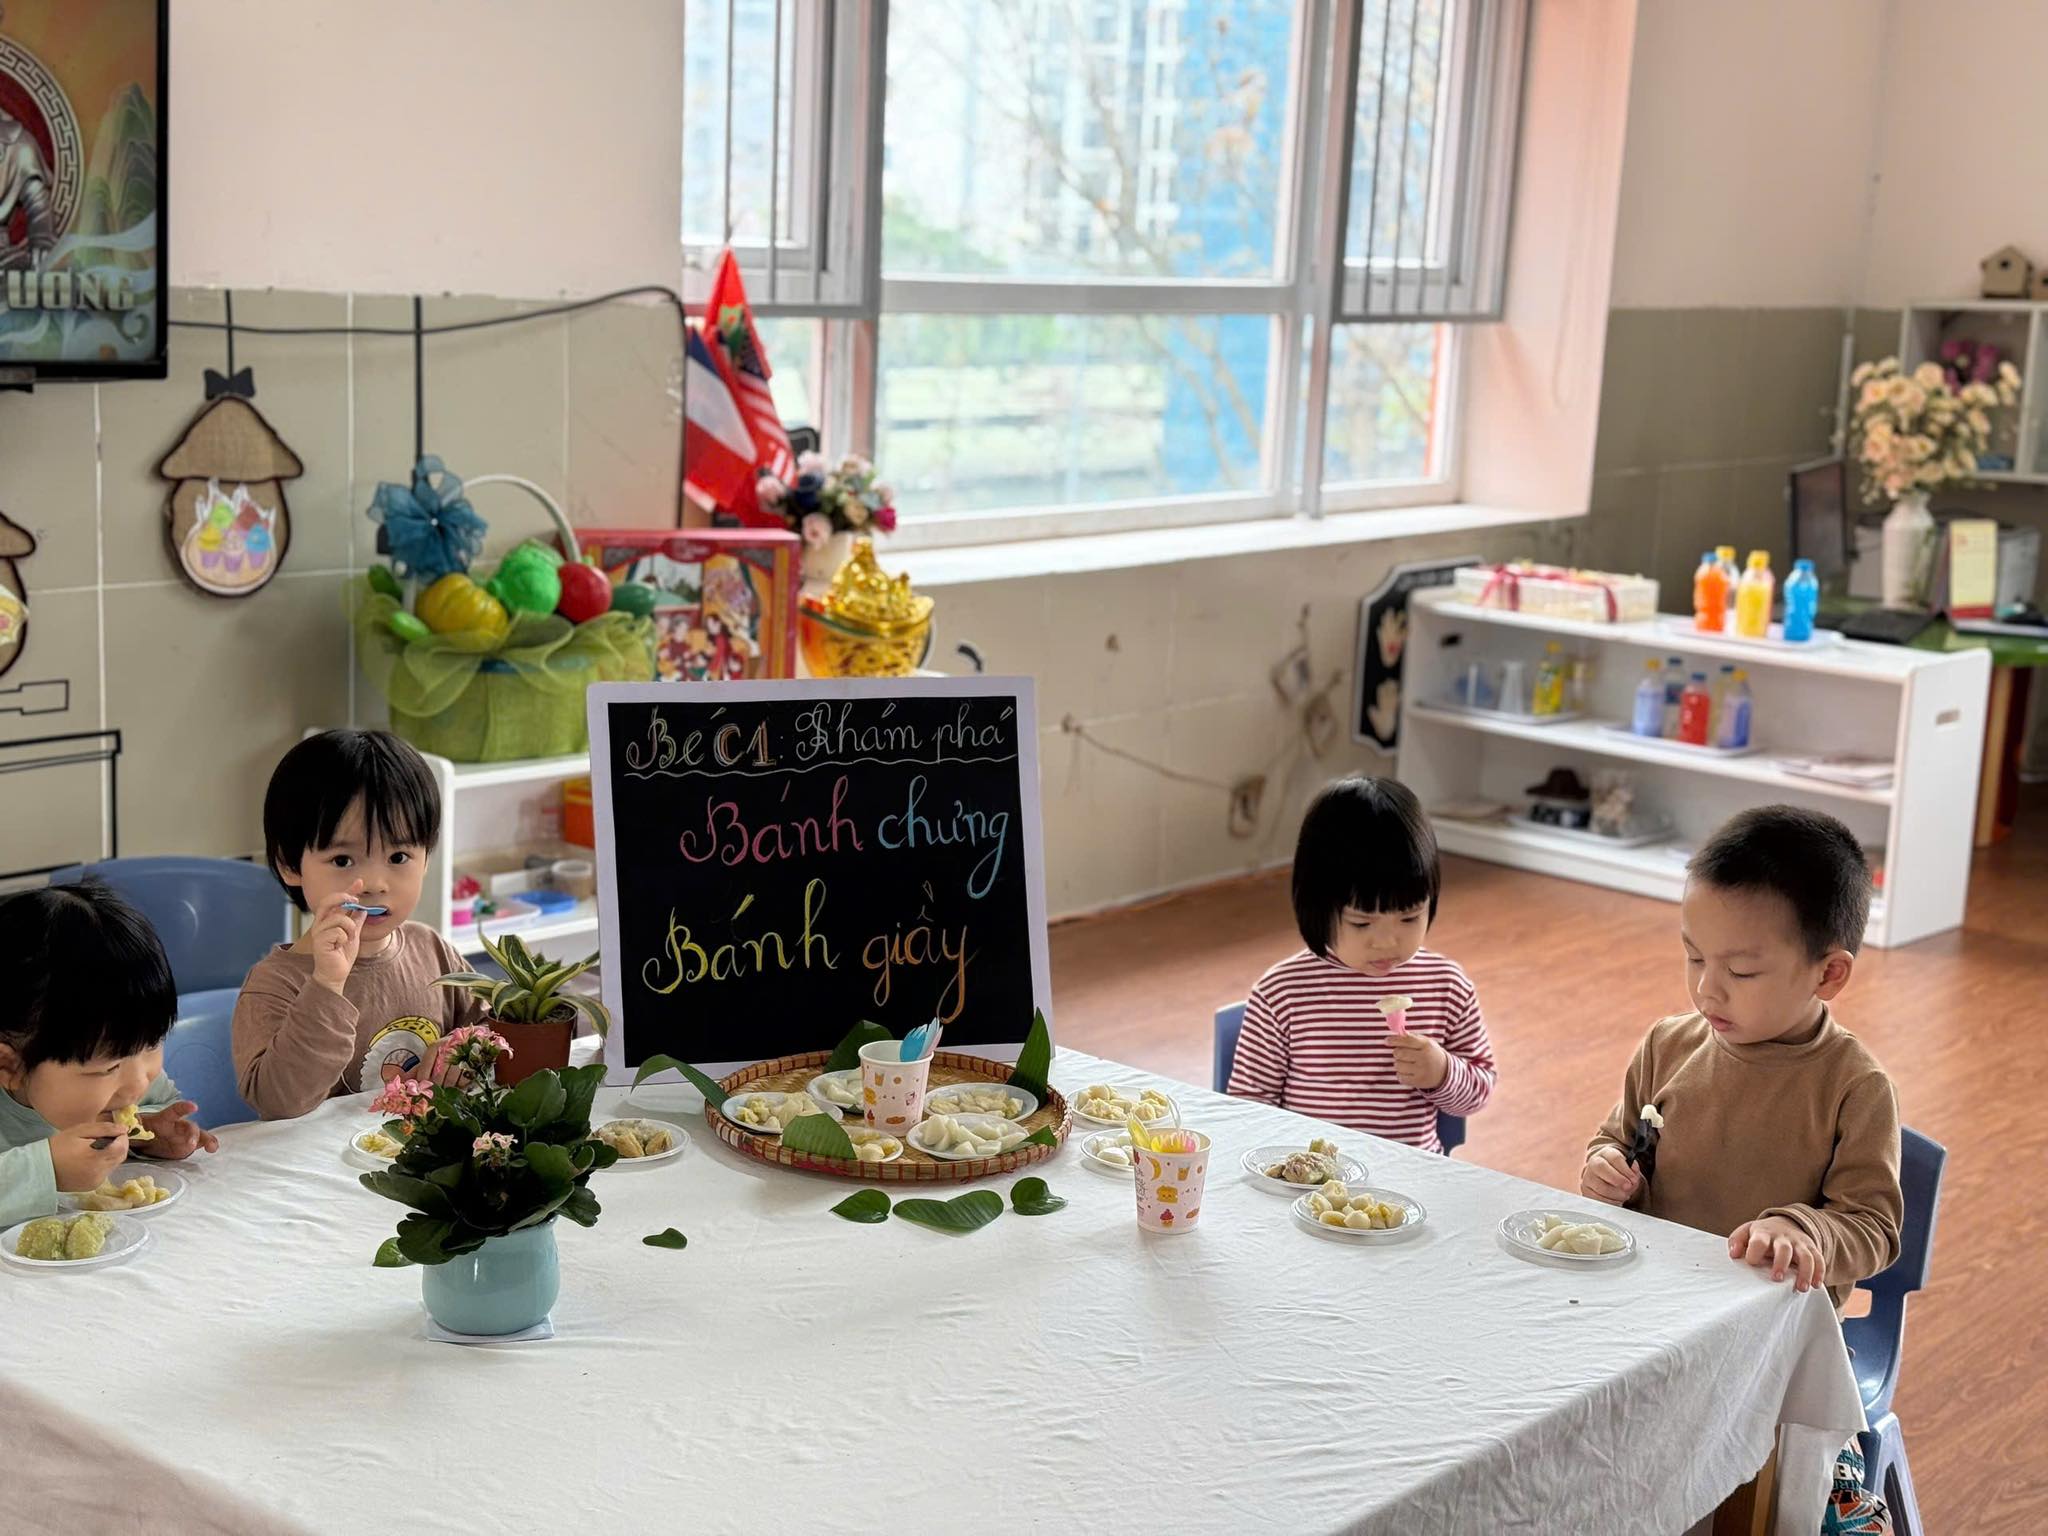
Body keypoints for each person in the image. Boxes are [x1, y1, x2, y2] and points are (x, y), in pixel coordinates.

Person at [1582, 804, 1902, 1301]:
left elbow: (1873, 1228)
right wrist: (1605, 1167)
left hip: (1772, 1320)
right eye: (1694, 957)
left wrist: (1803, 1231)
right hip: (1652, 1290)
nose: (1706, 989)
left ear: (1828, 974)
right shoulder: (1667, 1045)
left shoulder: (1856, 1087)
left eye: (1741, 971)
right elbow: (1618, 1142)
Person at [1226, 776, 1494, 1151]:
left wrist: (1442, 1072)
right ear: (1317, 909)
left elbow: (1479, 1091)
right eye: (1361, 923)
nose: (1387, 941)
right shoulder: (1282, 993)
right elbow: (1249, 1109)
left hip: (1410, 1177)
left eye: (1409, 918)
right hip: (1312, 1178)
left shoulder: (1446, 986)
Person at [234, 729, 482, 1118]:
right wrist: (326, 985)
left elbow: (496, 1030)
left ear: (426, 859)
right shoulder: (274, 984)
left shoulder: (433, 952)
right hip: (322, 1158)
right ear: (289, 864)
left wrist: (465, 1050)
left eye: (398, 857)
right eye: (343, 861)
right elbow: (278, 1104)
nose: (375, 884)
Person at [0, 882, 219, 1227]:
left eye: (152, 1044)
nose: (137, 1083)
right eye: (108, 1068)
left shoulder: (130, 1070)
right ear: (9, 1066)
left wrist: (145, 1133)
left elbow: (155, 1102)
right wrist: (46, 1170)